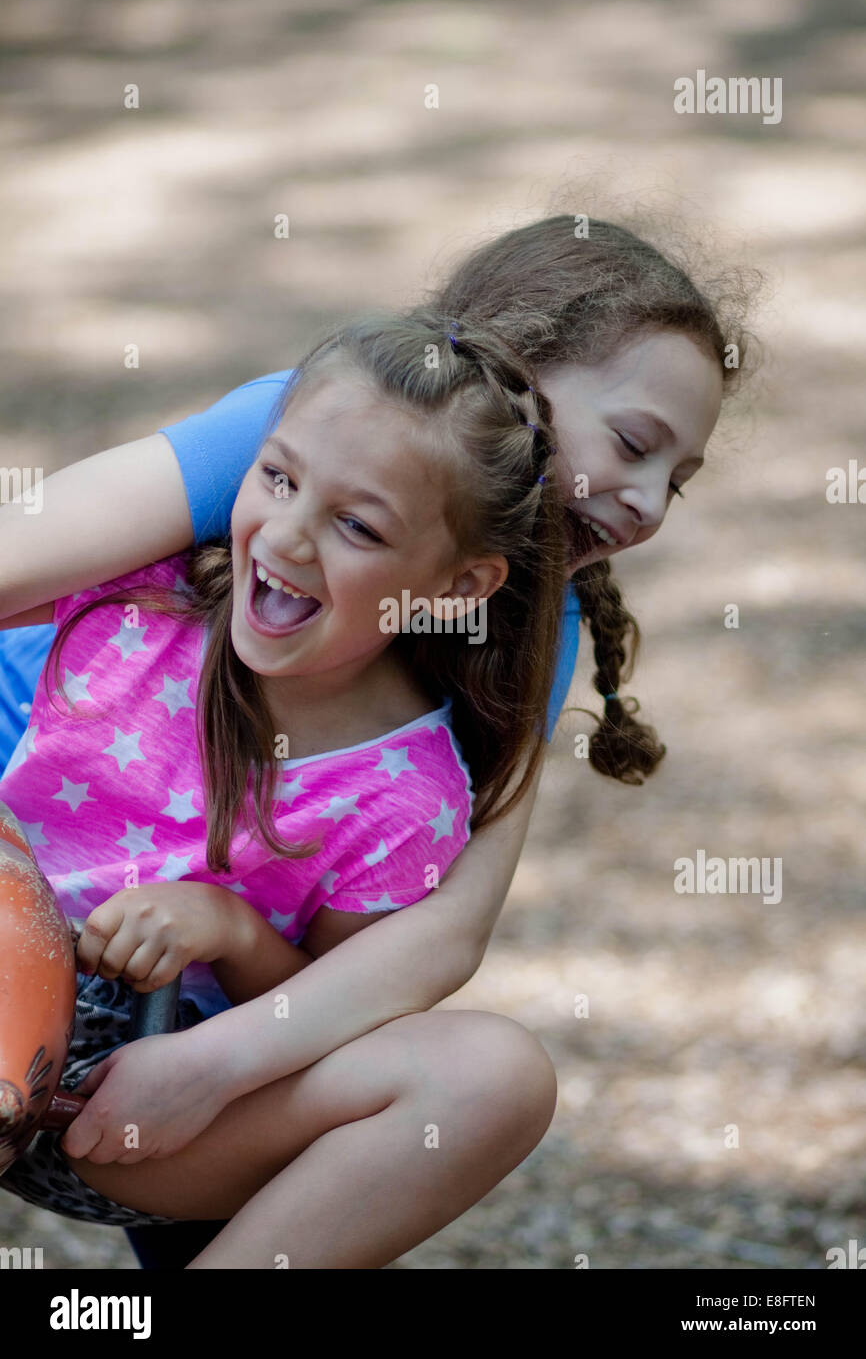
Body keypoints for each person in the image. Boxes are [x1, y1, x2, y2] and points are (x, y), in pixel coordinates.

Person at [0, 213, 756, 1268]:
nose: (640, 502)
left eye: (671, 478)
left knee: (487, 1075)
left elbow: (438, 932)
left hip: (167, 1027)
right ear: (513, 367)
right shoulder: (310, 433)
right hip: (23, 878)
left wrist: (212, 1061)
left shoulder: (535, 624)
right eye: (630, 443)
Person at [0, 306, 572, 1264]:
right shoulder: (143, 595)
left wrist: (232, 934)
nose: (291, 536)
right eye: (278, 476)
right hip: (11, 965)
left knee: (490, 1076)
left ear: (458, 586)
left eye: (357, 523)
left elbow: (330, 1008)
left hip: (135, 1111)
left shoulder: (405, 795)